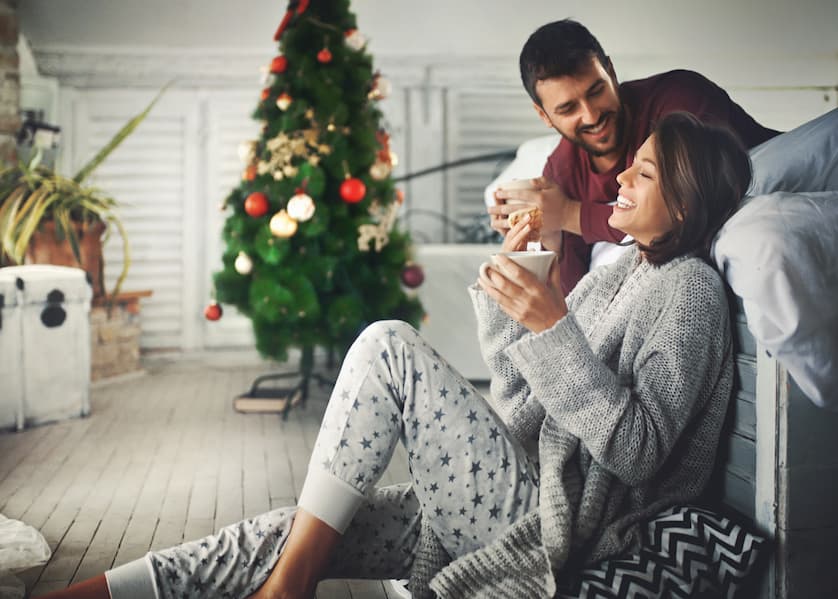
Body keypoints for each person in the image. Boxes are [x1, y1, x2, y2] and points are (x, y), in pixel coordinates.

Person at [36, 112, 752, 599]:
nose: (621, 177)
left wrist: (553, 327)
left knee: (389, 345)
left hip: (566, 528)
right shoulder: (620, 271)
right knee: (294, 530)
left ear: (685, 204)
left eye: (646, 173)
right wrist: (521, 302)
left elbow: (639, 451)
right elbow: (518, 406)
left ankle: (290, 588)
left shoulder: (690, 294)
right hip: (526, 489)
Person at [490, 18, 779, 294]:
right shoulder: (562, 171)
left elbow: (691, 208)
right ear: (544, 116)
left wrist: (568, 213)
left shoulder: (679, 100)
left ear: (611, 72)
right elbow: (575, 296)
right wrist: (551, 239)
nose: (591, 115)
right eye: (568, 109)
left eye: (596, 91)